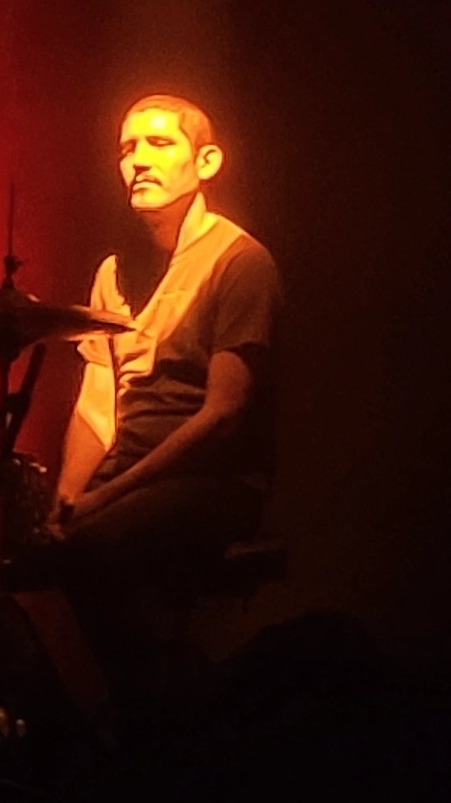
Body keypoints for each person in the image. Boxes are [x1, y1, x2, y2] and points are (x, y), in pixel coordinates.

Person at [43, 92, 282, 723]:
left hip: (211, 480)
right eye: (126, 148)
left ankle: (158, 718)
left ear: (206, 161)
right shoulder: (114, 271)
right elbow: (100, 398)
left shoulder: (240, 261)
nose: (138, 161)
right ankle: (146, 706)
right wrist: (68, 495)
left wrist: (104, 499)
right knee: (41, 546)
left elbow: (224, 414)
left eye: (159, 143)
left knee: (91, 549)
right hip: (132, 477)